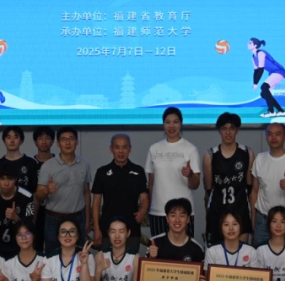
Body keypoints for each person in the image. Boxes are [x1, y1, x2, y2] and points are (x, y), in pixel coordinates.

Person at [146, 108, 201, 238]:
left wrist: (190, 174)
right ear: (163, 124)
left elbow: (195, 185)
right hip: (158, 211)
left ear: (181, 124)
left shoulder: (190, 149)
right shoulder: (154, 149)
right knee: (158, 250)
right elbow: (151, 183)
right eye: (168, 122)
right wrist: (148, 207)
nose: (171, 126)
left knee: (184, 249)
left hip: (182, 213)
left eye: (175, 122)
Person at [37, 127, 93, 254]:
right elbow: (38, 195)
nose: (68, 143)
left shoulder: (85, 163)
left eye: (71, 139)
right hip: (54, 218)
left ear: (77, 142)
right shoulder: (48, 165)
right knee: (52, 256)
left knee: (79, 255)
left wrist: (87, 219)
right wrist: (46, 190)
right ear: (58, 143)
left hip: (78, 217)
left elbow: (86, 192)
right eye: (63, 139)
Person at [91, 133, 149, 254]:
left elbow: (144, 197)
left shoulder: (138, 171)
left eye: (124, 147)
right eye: (117, 147)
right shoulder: (102, 172)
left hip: (132, 227)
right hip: (107, 228)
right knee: (106, 263)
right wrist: (96, 228)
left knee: (131, 262)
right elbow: (96, 203)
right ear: (111, 149)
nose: (121, 151)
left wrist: (143, 211)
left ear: (130, 149)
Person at [251, 122, 285, 246]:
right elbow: (254, 191)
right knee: (260, 254)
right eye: (270, 134)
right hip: (263, 218)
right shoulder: (259, 159)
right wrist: (253, 219)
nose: (273, 138)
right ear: (266, 137)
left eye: (278, 134)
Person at [203, 113, 254, 246]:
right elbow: (208, 188)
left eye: (232, 128)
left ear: (237, 130)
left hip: (240, 211)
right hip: (217, 212)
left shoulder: (247, 153)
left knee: (241, 254)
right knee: (216, 255)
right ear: (219, 130)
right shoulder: (210, 155)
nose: (228, 132)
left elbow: (249, 186)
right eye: (224, 128)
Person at [0, 165, 35, 258]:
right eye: (3, 179)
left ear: (15, 179)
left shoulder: (27, 197)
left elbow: (30, 226)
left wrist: (16, 218)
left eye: (10, 179)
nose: (6, 183)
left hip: (20, 246)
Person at [0, 126, 39, 203]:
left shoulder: (31, 163)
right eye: (9, 137)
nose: (12, 141)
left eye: (16, 137)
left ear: (21, 141)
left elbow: (35, 192)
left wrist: (33, 210)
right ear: (4, 140)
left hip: (26, 206)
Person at [248, 37, 285, 117]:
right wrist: (254, 83)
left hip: (279, 71)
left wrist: (256, 83)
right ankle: (281, 111)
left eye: (250, 43)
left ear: (255, 45)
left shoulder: (261, 53)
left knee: (264, 87)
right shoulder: (253, 57)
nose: (248, 44)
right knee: (264, 94)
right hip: (273, 73)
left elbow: (261, 69)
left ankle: (271, 111)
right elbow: (256, 71)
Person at [32, 127, 56, 250]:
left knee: (55, 246)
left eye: (47, 138)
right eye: (40, 138)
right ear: (35, 142)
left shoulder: (59, 162)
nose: (44, 141)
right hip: (35, 210)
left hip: (55, 209)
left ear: (52, 141)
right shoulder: (30, 163)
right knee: (36, 245)